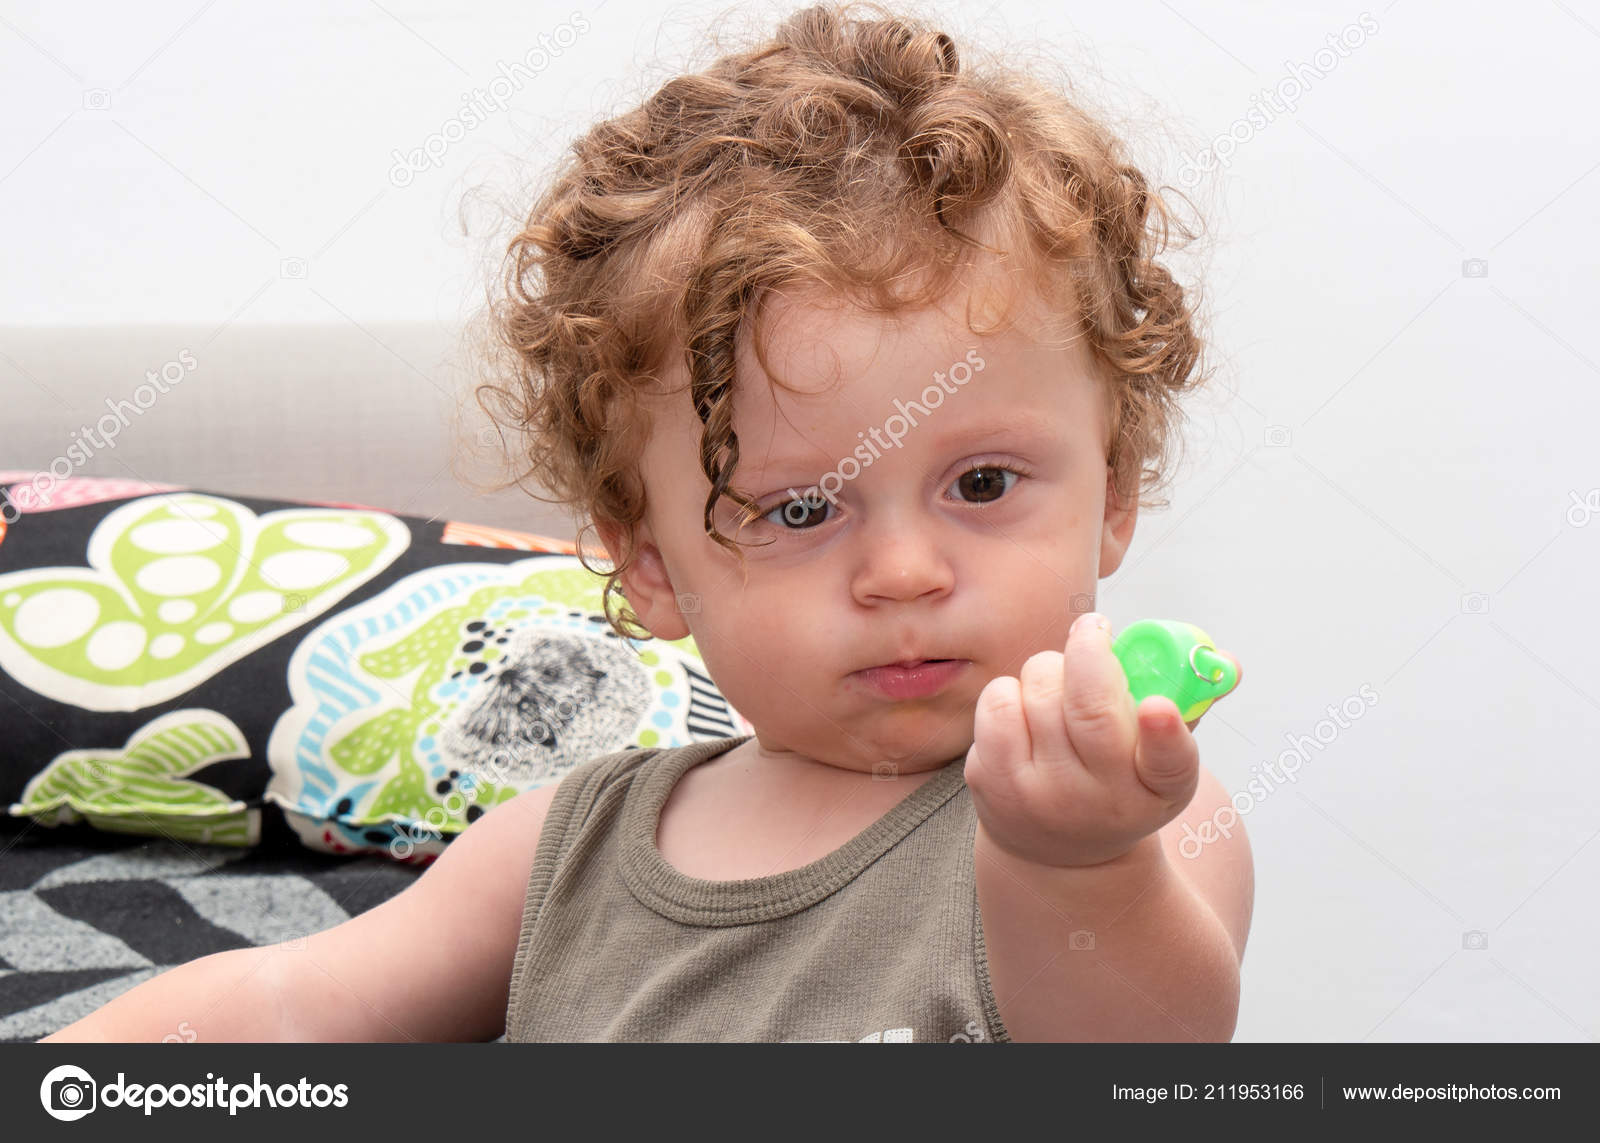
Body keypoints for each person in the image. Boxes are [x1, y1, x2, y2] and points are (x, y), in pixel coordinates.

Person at [41, 0, 1250, 1044]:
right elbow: (292, 1005)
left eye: (981, 485)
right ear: (654, 564)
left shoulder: (1131, 822)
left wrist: (1075, 866)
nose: (902, 571)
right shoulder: (564, 852)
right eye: (802, 507)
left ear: (1112, 494)